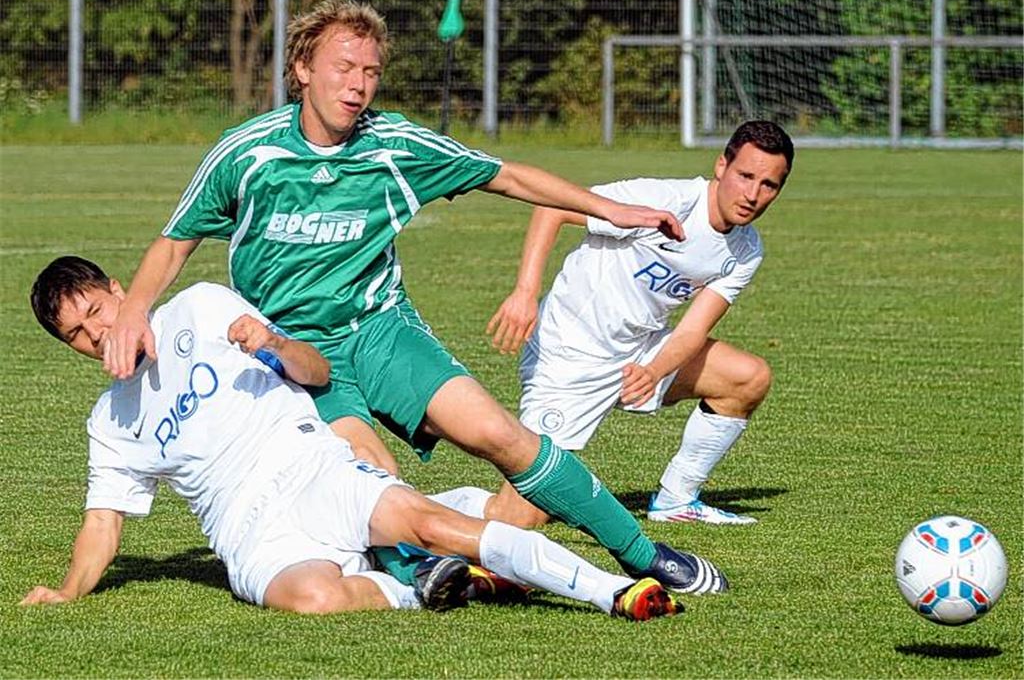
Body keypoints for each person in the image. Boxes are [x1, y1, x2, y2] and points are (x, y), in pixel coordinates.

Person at [98, 0, 726, 595]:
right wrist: (132, 312)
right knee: (373, 476)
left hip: (382, 330)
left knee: (502, 436)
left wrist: (611, 209)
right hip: (295, 358)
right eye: (343, 67)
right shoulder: (247, 153)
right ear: (302, 69)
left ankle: (645, 554)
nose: (358, 84)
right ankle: (418, 572)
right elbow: (175, 241)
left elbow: (505, 176)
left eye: (371, 71)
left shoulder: (394, 145)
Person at [20, 256, 679, 622]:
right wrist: (70, 591)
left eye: (97, 312)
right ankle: (425, 586)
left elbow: (318, 372)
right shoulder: (110, 422)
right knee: (312, 599)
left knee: (425, 525)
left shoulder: (199, 305)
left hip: (312, 468)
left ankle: (611, 591)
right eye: (78, 335)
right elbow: (103, 523)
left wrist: (274, 345)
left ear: (117, 291)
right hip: (251, 533)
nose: (97, 335)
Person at [480, 121, 794, 527]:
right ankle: (411, 512)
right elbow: (553, 207)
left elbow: (691, 332)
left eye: (769, 185)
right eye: (745, 176)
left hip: (638, 351)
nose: (752, 194)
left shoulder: (746, 250)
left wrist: (652, 372)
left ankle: (676, 499)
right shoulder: (666, 199)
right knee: (522, 516)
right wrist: (525, 291)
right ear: (721, 166)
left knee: (746, 378)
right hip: (570, 352)